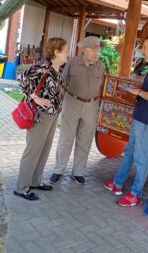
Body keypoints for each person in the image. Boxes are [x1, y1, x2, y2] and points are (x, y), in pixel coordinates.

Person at [104, 35, 148, 207]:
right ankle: (118, 184)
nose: (142, 50)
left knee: (141, 157)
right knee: (129, 152)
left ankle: (136, 194)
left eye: (144, 47)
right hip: (141, 117)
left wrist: (137, 92)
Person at [14, 37, 69, 201]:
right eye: (65, 50)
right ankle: (21, 187)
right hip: (39, 115)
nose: (68, 53)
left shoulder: (58, 69)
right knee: (33, 150)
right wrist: (34, 97)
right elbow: (22, 78)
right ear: (57, 52)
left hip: (52, 115)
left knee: (44, 149)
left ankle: (35, 181)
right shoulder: (43, 65)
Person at [50, 36, 105, 185]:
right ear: (84, 50)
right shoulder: (72, 62)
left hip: (92, 106)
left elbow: (103, 87)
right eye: (93, 50)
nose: (96, 53)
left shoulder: (101, 66)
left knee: (85, 141)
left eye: (98, 50)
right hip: (72, 102)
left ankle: (78, 172)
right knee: (66, 139)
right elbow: (62, 82)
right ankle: (59, 170)